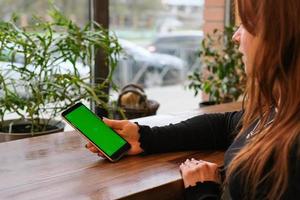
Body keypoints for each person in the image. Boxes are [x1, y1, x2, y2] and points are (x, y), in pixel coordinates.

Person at [86, 0, 300, 199]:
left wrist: (203, 191)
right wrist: (145, 137)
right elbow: (224, 125)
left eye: (244, 24)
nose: (235, 36)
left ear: (277, 35)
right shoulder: (281, 110)